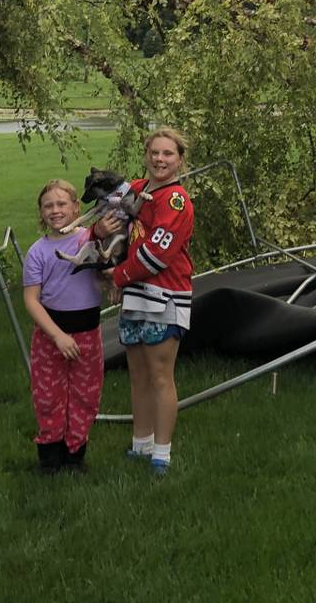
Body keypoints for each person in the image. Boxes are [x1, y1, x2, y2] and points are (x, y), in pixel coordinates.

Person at [104, 128, 194, 476]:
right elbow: (114, 226)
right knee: (137, 374)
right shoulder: (139, 190)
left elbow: (157, 254)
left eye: (168, 154)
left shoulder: (176, 201)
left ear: (179, 159)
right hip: (135, 295)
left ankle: (162, 452)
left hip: (164, 293)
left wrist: (117, 276)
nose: (160, 159)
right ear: (146, 155)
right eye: (155, 153)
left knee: (160, 376)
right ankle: (140, 444)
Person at [22, 179, 105, 474]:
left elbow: (106, 273)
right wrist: (57, 336)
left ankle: (75, 456)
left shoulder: (90, 241)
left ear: (75, 207)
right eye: (48, 206)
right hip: (50, 335)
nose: (55, 210)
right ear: (41, 212)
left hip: (87, 332)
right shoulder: (38, 252)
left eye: (61, 204)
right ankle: (50, 457)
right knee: (48, 396)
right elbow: (32, 300)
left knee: (85, 395)